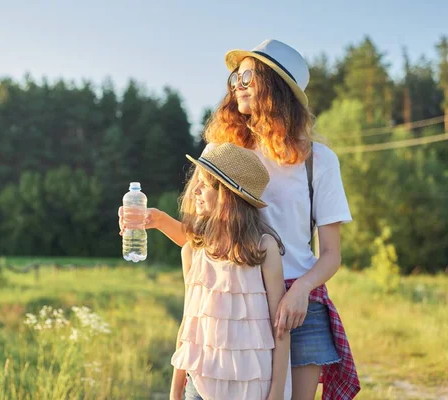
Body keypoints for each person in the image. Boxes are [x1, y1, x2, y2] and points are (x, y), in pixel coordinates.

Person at [119, 39, 360, 399]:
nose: (237, 85)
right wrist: (154, 219)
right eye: (235, 77)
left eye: (247, 75)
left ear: (276, 87)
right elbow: (204, 240)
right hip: (235, 300)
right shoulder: (223, 153)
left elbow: (330, 254)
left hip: (296, 306)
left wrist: (300, 291)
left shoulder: (319, 161)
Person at [169, 143, 291, 400]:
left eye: (204, 184)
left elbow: (280, 328)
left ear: (227, 195)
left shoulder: (263, 248)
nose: (195, 191)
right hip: (198, 385)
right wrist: (175, 390)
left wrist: (277, 393)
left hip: (251, 386)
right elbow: (188, 326)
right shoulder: (192, 251)